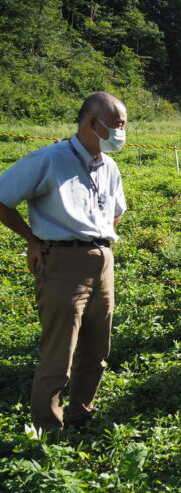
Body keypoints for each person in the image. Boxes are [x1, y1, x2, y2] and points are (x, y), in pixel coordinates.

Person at [0, 92, 128, 431]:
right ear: (92, 123)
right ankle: (48, 432)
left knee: (97, 349)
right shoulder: (50, 159)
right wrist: (32, 240)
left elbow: (116, 212)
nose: (122, 132)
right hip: (63, 263)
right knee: (59, 355)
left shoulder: (109, 166)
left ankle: (81, 414)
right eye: (117, 125)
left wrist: (97, 237)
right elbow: (3, 199)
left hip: (102, 261)